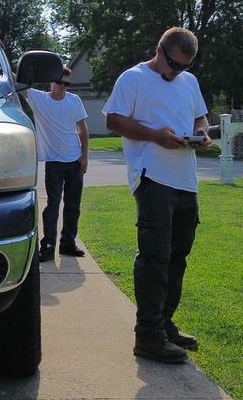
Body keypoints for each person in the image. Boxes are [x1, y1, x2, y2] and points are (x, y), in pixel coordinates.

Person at [101, 28, 212, 364]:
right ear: (159, 50)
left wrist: (202, 132)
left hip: (185, 180)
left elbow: (200, 116)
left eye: (184, 66)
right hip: (152, 178)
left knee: (178, 257)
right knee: (154, 258)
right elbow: (113, 121)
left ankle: (164, 324)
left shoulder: (189, 82)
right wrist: (154, 136)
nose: (177, 72)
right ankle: (148, 336)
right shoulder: (133, 78)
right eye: (174, 64)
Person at [21, 67, 89, 262]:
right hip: (54, 163)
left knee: (73, 206)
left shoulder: (74, 100)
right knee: (53, 205)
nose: (63, 87)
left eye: (67, 84)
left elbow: (82, 129)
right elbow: (17, 82)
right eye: (60, 82)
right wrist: (0, 55)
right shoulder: (39, 99)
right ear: (51, 81)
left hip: (75, 161)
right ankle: (48, 246)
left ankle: (68, 243)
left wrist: (84, 156)